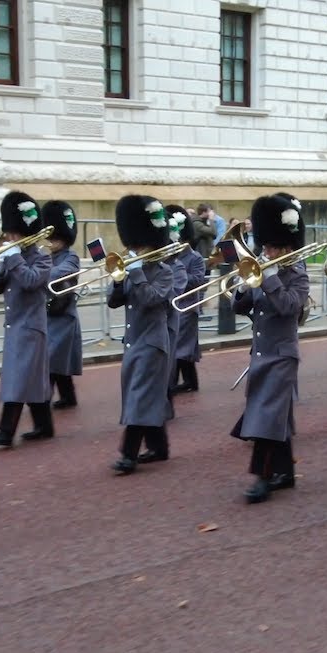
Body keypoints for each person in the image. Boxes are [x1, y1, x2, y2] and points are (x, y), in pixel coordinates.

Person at [231, 194, 311, 503]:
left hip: (282, 356)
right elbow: (241, 308)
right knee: (274, 414)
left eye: (273, 247)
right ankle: (284, 473)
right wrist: (243, 287)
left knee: (265, 417)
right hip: (261, 354)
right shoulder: (263, 272)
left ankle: (262, 477)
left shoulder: (298, 274)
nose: (267, 252)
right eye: (266, 246)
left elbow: (289, 307)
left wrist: (271, 278)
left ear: (288, 247)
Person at [105, 196, 174, 472]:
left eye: (139, 245)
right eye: (132, 246)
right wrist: (120, 280)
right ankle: (159, 447)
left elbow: (151, 299)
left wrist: (135, 274)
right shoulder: (131, 268)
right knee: (143, 395)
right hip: (134, 342)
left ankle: (128, 454)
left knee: (138, 396)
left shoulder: (164, 272)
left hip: (153, 343)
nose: (134, 251)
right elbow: (113, 301)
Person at [0, 191, 54, 446]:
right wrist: (1, 266)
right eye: (9, 233)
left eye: (14, 234)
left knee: (18, 378)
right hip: (15, 325)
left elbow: (31, 281)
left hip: (31, 327)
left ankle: (5, 431)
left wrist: (12, 258)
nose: (10, 238)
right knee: (31, 377)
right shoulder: (11, 257)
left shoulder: (42, 257)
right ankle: (44, 426)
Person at [41, 200, 83, 409]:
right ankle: (68, 397)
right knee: (57, 362)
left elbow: (60, 273)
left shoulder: (71, 257)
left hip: (63, 316)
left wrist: (38, 272)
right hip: (51, 314)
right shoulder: (49, 256)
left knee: (50, 359)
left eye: (55, 238)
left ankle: (41, 401)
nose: (51, 241)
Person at [167, 205, 205, 394]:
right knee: (179, 348)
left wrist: (177, 275)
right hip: (175, 306)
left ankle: (174, 383)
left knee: (181, 349)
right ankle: (189, 382)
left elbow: (198, 279)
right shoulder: (168, 257)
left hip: (188, 306)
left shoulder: (195, 257)